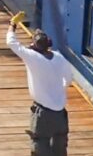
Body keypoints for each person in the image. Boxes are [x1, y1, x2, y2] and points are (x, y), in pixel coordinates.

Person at [7, 21, 74, 156]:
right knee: (60, 147)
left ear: (34, 45)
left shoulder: (32, 57)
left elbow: (11, 42)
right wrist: (61, 87)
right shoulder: (59, 57)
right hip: (60, 114)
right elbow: (69, 78)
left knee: (40, 144)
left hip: (43, 114)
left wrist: (12, 25)